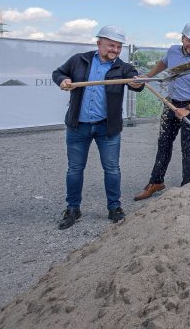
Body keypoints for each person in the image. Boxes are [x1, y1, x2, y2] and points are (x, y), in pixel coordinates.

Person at [51, 25, 143, 229]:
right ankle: (73, 209)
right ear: (98, 43)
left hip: (107, 129)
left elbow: (137, 83)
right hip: (78, 126)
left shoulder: (123, 68)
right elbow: (58, 73)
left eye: (119, 47)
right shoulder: (79, 60)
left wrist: (137, 83)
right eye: (111, 45)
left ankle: (114, 208)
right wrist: (64, 80)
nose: (115, 50)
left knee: (112, 169)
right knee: (75, 169)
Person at [134, 23, 190, 201]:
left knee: (188, 147)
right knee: (163, 142)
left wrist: (187, 109)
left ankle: (188, 187)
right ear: (182, 38)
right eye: (189, 40)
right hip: (171, 103)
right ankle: (155, 182)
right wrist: (148, 76)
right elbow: (163, 63)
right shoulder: (173, 51)